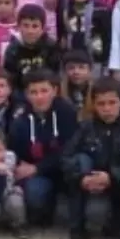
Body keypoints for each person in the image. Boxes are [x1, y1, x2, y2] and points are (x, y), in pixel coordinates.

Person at [60, 76, 120, 239]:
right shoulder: (85, 126)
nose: (107, 109)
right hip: (90, 183)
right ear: (94, 104)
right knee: (79, 162)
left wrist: (111, 176)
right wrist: (82, 177)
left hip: (118, 182)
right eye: (101, 104)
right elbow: (65, 157)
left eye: (112, 103)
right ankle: (77, 229)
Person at [7, 68, 77, 226]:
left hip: (62, 169)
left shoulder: (67, 112)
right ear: (26, 94)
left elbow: (69, 149)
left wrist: (38, 168)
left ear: (54, 91)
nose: (39, 97)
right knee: (35, 194)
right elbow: (14, 149)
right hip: (37, 173)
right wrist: (19, 165)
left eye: (44, 91)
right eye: (34, 92)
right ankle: (44, 210)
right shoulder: (20, 118)